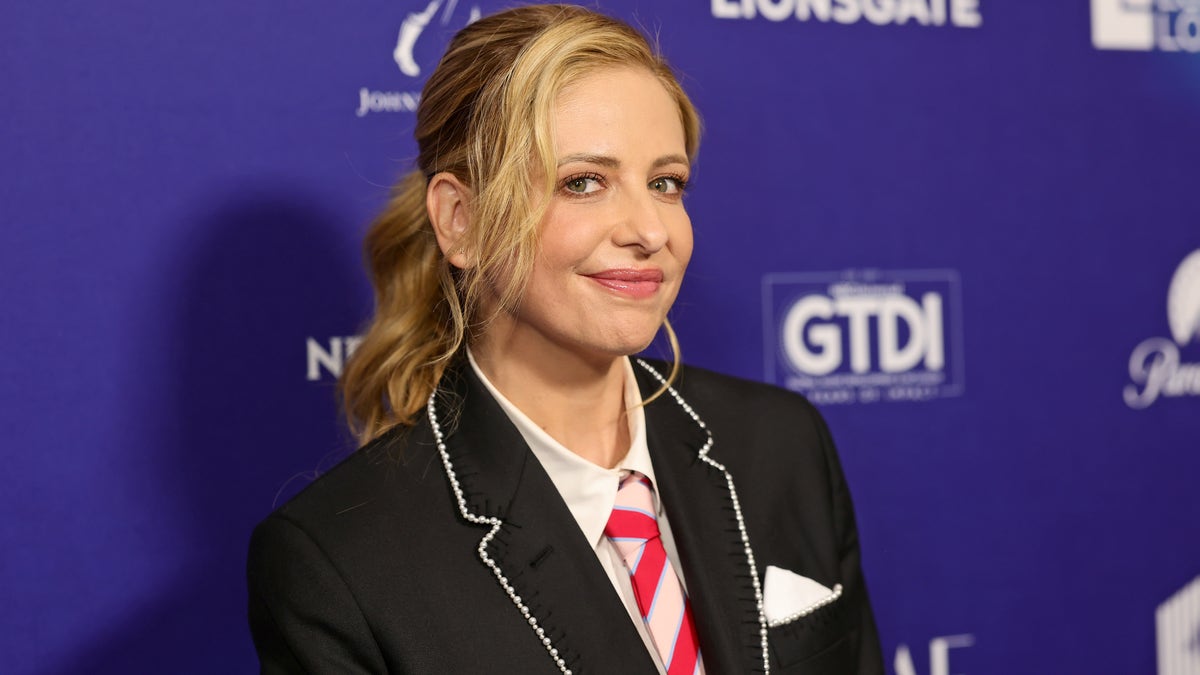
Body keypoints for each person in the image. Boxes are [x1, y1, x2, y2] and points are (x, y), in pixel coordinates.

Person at [247, 4, 883, 673]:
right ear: (460, 221)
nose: (650, 229)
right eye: (584, 183)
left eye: (666, 183)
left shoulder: (782, 444)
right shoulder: (341, 562)